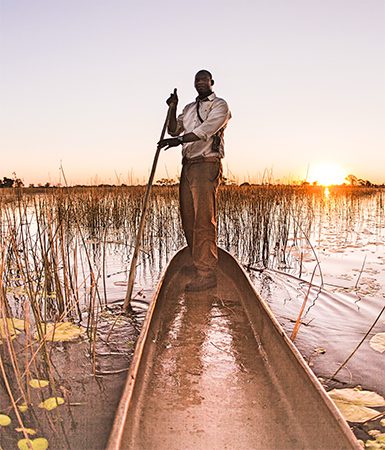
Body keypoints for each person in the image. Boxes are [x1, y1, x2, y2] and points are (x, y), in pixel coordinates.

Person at [157, 70, 231, 292]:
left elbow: (204, 131)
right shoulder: (189, 108)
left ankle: (207, 273)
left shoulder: (220, 105)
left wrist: (178, 140)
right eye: (197, 80)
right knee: (188, 217)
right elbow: (173, 128)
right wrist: (172, 107)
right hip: (188, 165)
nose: (200, 83)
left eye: (204, 79)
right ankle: (197, 263)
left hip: (206, 164)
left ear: (211, 82)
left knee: (203, 219)